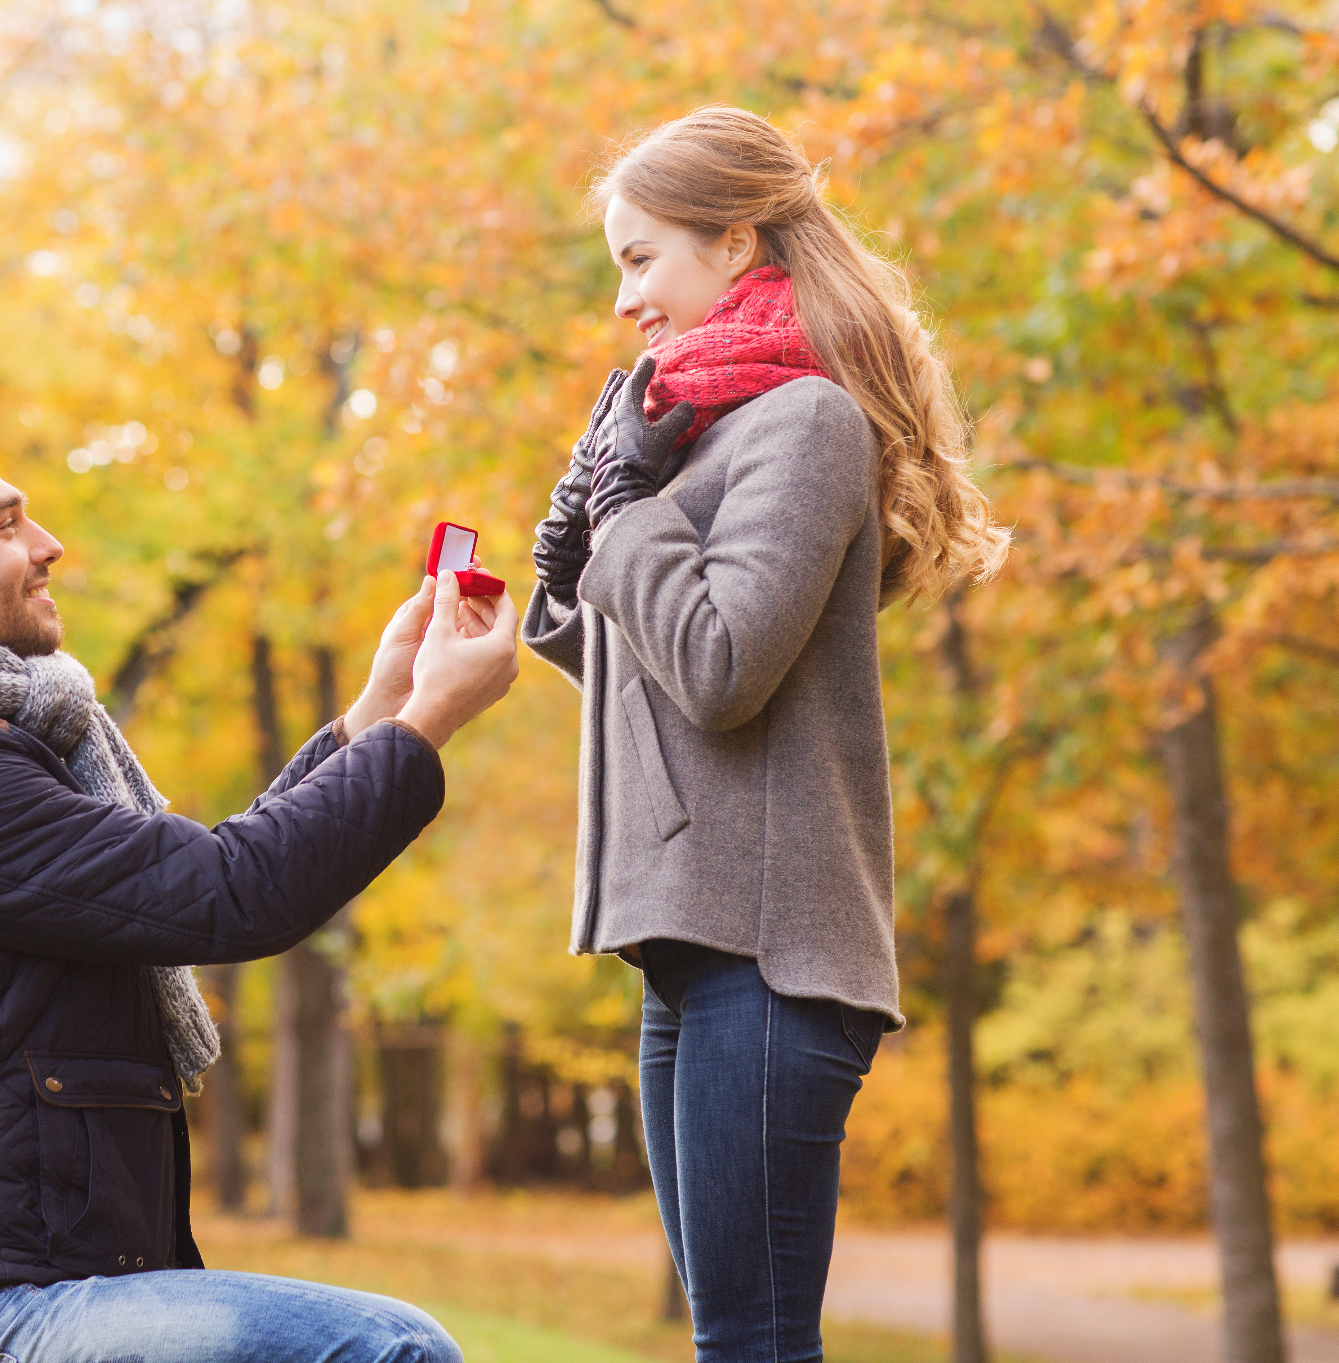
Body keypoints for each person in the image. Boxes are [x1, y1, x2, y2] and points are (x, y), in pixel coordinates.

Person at [0, 432, 516, 1363]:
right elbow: (230, 892)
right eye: (9, 524)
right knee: (389, 1349)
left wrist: (380, 709)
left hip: (35, 1287)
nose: (48, 543)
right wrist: (425, 728)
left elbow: (194, 876)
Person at [522, 106, 1010, 1363]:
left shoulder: (805, 426)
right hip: (687, 949)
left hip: (771, 951)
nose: (624, 297)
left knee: (750, 1343)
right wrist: (566, 569)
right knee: (727, 1338)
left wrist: (626, 511)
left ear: (736, 243)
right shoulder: (697, 429)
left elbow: (723, 670)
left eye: (641, 257)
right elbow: (659, 694)